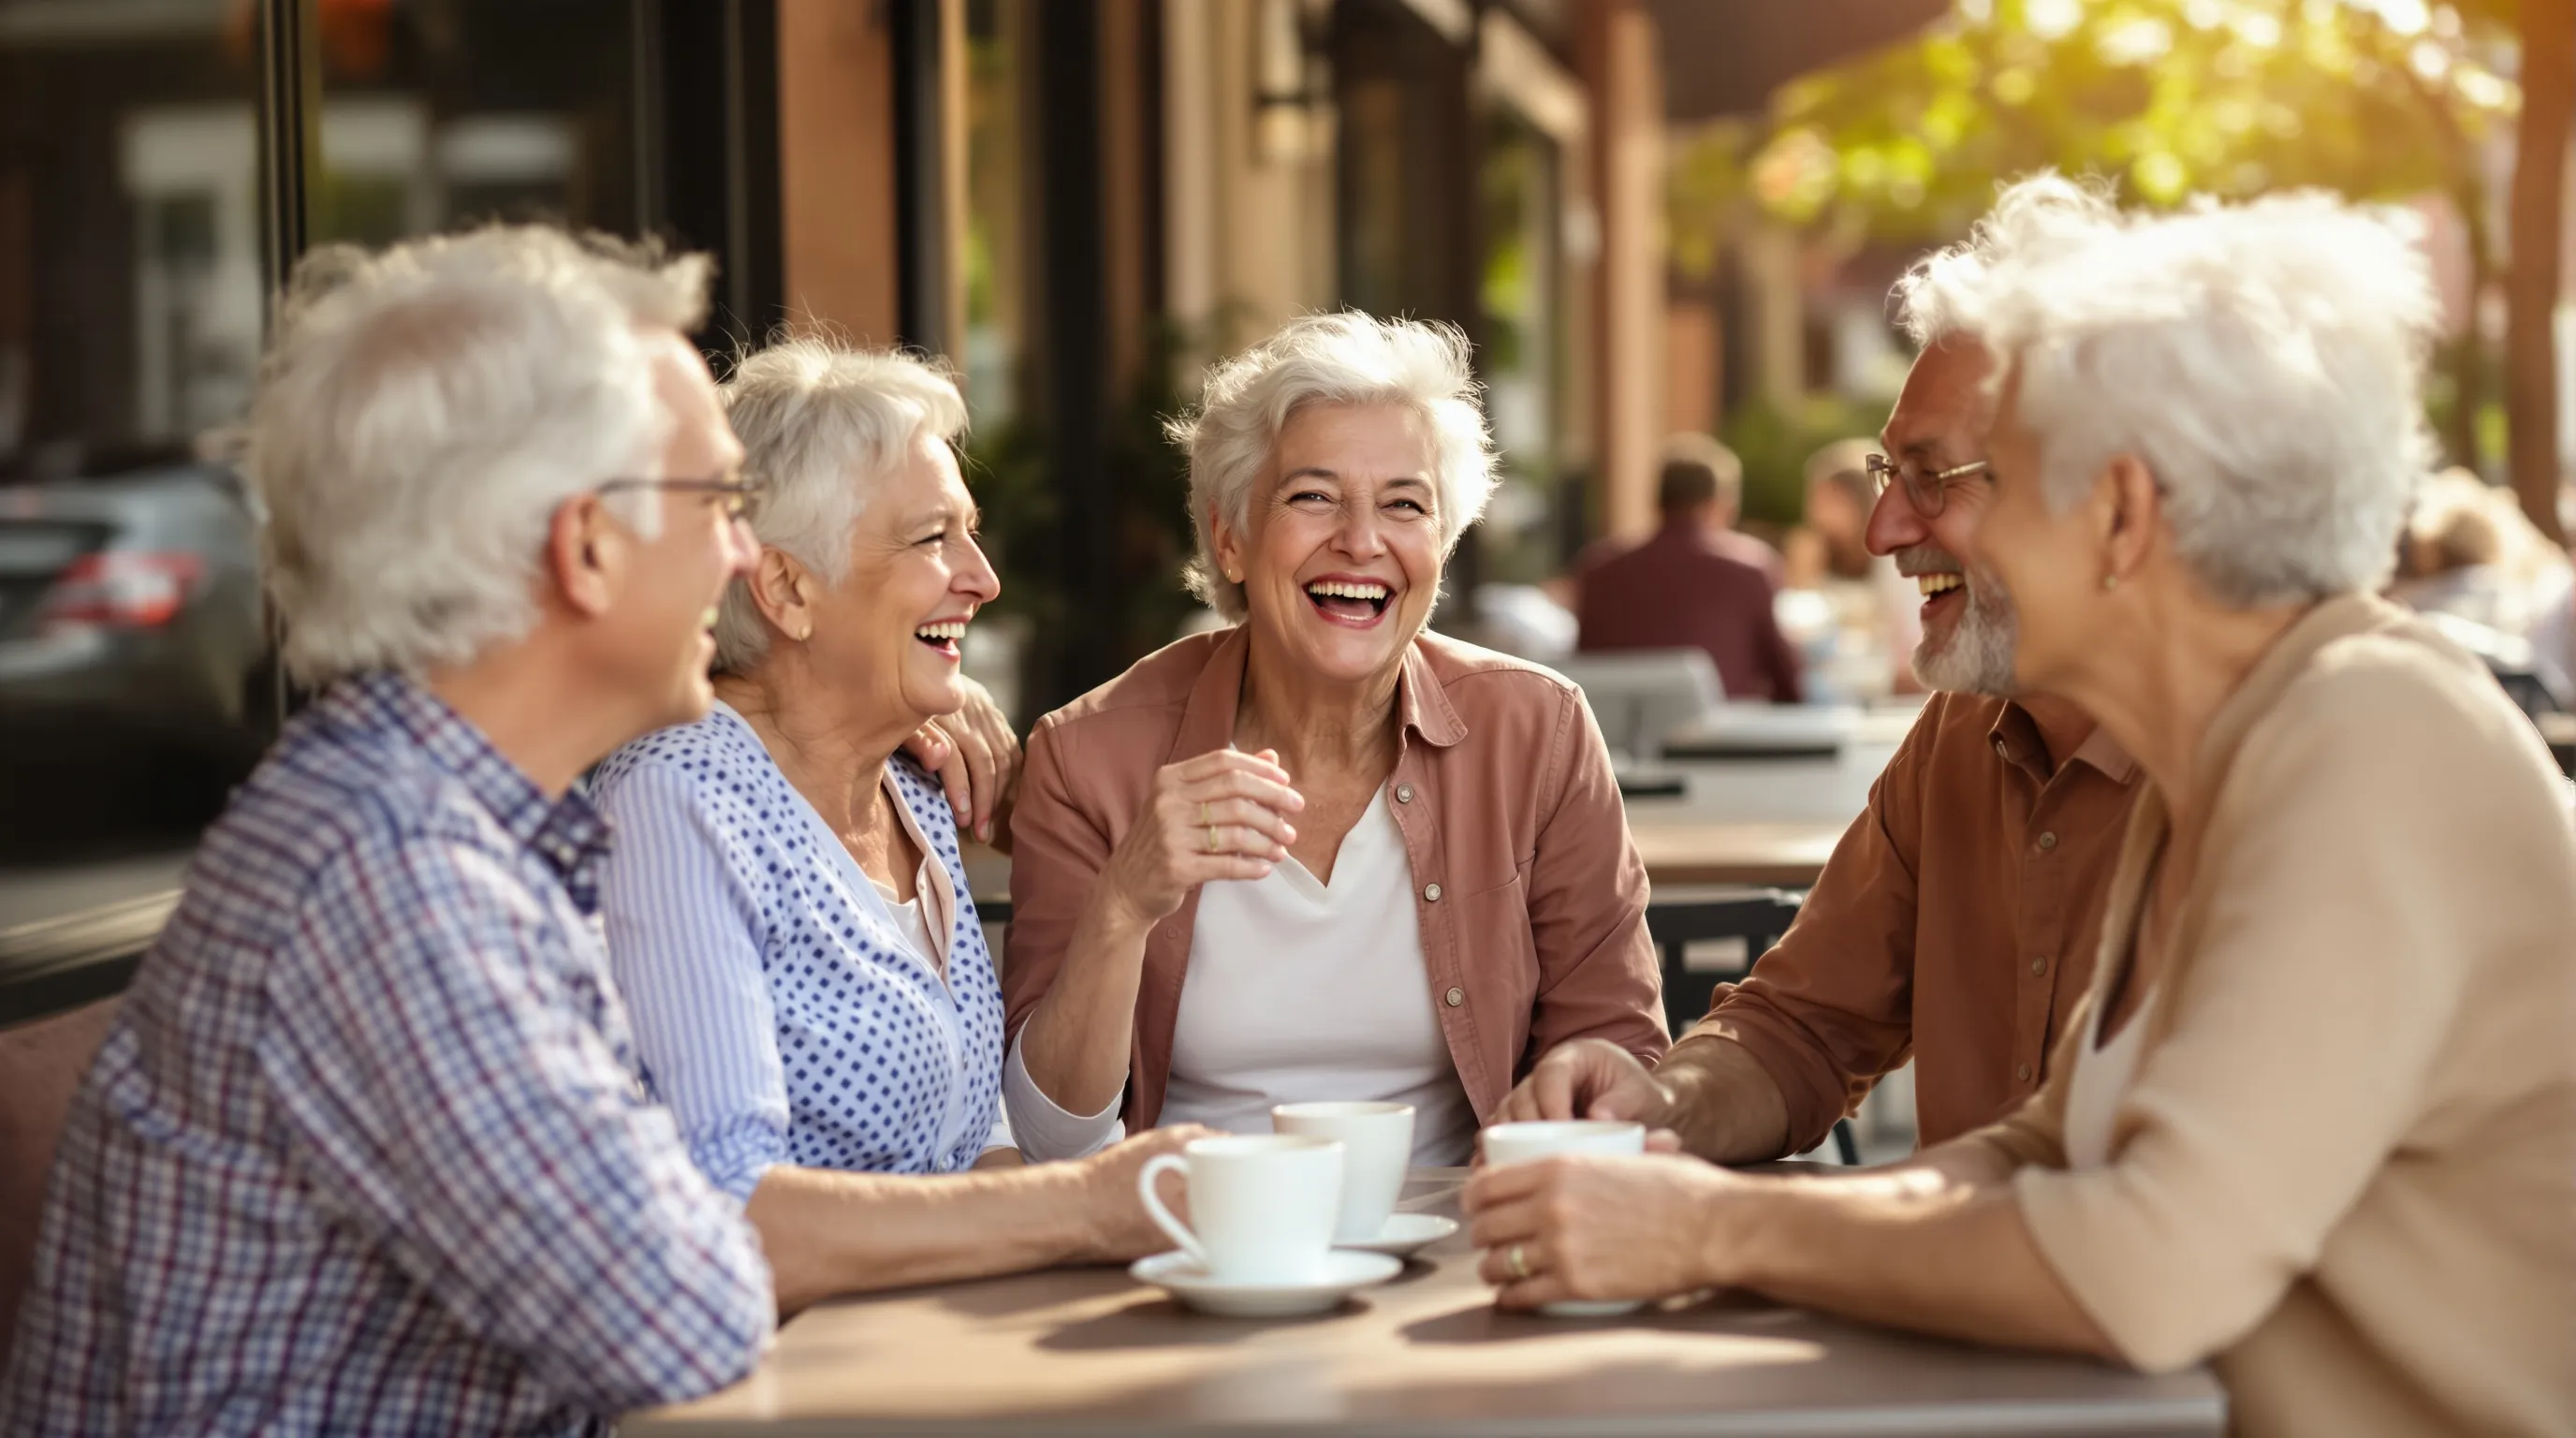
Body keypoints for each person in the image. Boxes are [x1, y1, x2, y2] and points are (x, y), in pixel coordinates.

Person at [1468, 189, 2576, 1437]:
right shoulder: (2234, 747)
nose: (1887, 526)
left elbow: (2150, 1267)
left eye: (1983, 477)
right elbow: (2030, 1153)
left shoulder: (2368, 732)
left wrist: (1705, 1229)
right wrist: (1665, 1189)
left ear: (2121, 515)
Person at [1, 227, 778, 1431]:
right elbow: (683, 1317)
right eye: (721, 498)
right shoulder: (395, 871)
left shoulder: (429, 817)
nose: (745, 548)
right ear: (585, 544)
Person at [1501, 175, 2139, 1161]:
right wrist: (1659, 1109)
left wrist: (1716, 1234)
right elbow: (1801, 1027)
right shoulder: (1960, 735)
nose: (1883, 529)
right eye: (1888, 475)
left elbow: (2150, 1226)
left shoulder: (2277, 756)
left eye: (1932, 477)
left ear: (2107, 495)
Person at [587, 339, 1207, 1314]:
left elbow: (978, 1151)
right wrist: (1086, 1206)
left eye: (971, 532)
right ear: (787, 590)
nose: (983, 578)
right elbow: (724, 1208)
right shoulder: (679, 803)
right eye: (932, 541)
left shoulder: (911, 793)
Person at [1001, 313, 1668, 1167]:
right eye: (1313, 496)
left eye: (1404, 505)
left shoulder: (1538, 728)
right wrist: (1125, 902)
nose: (1362, 540)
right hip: (1191, 1245)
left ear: (1442, 544)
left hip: (1461, 1248)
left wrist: (1570, 1112)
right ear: (1230, 538)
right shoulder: (1088, 755)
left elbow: (1620, 1051)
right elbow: (1052, 1138)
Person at [1573, 438, 1804, 702]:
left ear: (1658, 502)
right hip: (1721, 737)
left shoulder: (1598, 568)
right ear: (1720, 503)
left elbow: (1586, 665)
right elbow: (1787, 678)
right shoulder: (1750, 567)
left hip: (1615, 735)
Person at [1779, 439, 1924, 701]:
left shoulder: (1897, 561)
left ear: (1858, 502)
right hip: (1836, 689)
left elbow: (1913, 650)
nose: (1814, 512)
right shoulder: (1819, 554)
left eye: (1827, 500)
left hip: (1889, 692)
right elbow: (1799, 627)